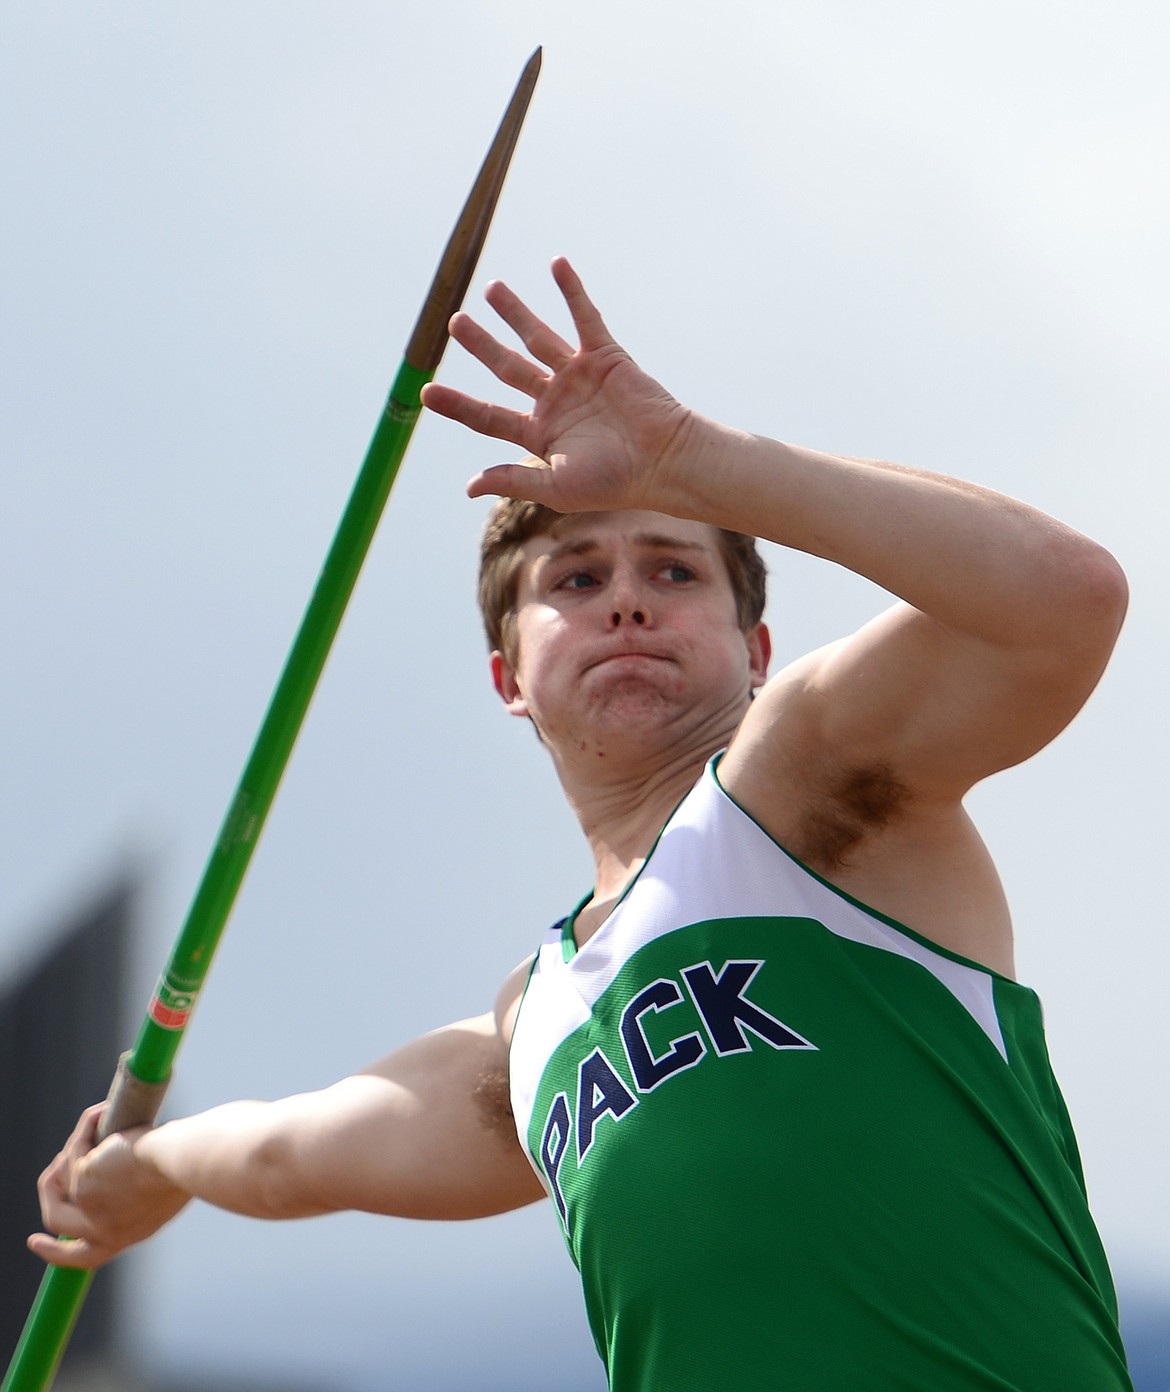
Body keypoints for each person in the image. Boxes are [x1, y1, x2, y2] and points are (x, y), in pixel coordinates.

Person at [32, 258, 1132, 1390]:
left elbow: (1064, 599)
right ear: (510, 675)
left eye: (673, 567)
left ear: (753, 653)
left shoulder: (807, 784)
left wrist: (700, 462)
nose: (627, 597)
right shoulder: (538, 1025)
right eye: (574, 577)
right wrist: (154, 1164)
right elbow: (285, 1153)